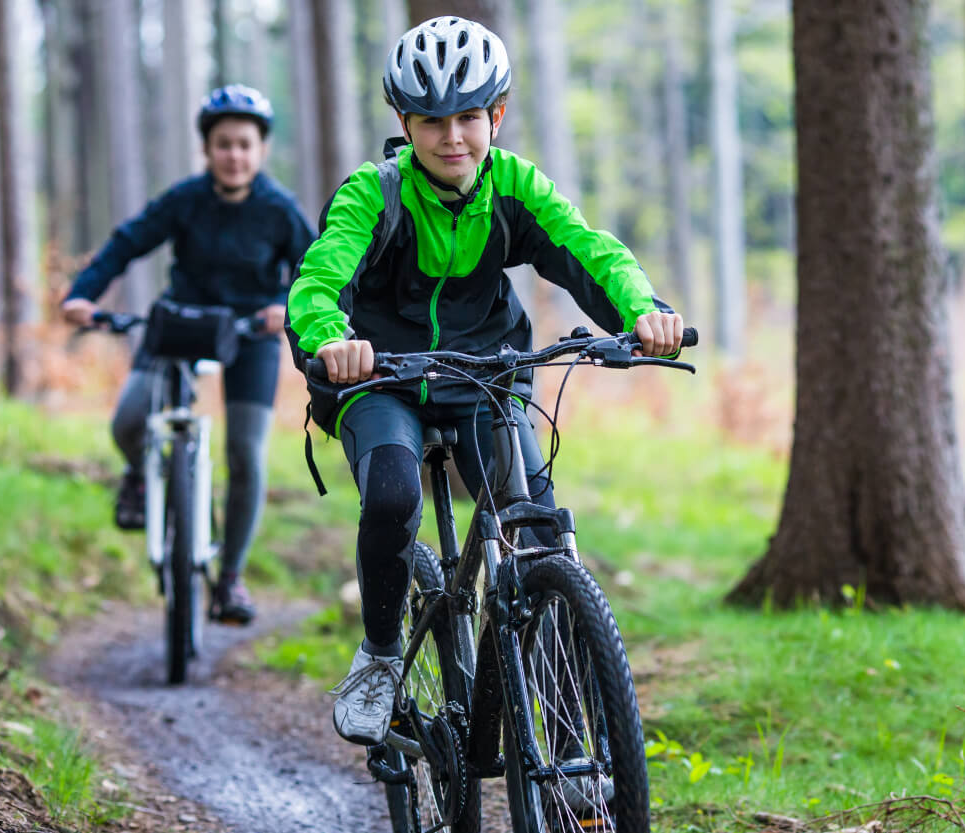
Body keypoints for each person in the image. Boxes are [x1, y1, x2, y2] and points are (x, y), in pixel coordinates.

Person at [286, 17, 683, 746]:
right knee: (396, 493)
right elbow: (319, 281)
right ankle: (378, 655)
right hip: (382, 378)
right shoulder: (373, 194)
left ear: (495, 115)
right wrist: (331, 341)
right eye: (431, 121)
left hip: (485, 374)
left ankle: (569, 741)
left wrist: (644, 310)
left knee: (537, 537)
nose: (452, 138)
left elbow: (589, 250)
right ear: (404, 122)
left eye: (469, 116)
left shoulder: (515, 187)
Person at [61, 84, 316, 625]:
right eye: (223, 144)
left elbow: (316, 270)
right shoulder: (185, 200)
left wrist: (282, 307)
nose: (234, 155)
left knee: (245, 454)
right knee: (129, 422)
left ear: (261, 150)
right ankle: (140, 475)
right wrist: (83, 293)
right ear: (207, 149)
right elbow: (126, 243)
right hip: (180, 325)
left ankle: (230, 580)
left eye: (245, 144)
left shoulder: (279, 210)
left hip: (250, 335)